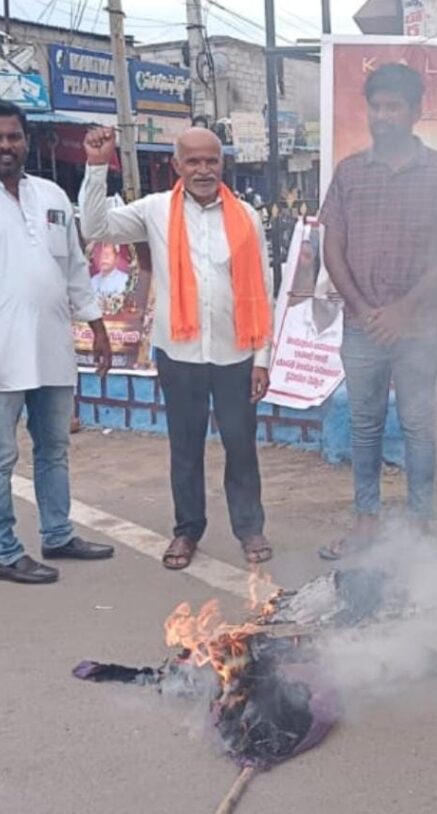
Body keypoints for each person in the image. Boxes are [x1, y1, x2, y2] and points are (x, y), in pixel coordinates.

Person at [80, 126, 274, 570]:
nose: (203, 170)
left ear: (222, 164)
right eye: (194, 161)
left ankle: (250, 528)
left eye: (211, 161)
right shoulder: (154, 211)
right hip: (180, 354)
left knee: (240, 446)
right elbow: (95, 226)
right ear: (177, 166)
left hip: (235, 353)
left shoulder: (247, 215)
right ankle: (187, 531)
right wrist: (95, 167)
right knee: (185, 449)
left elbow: (263, 288)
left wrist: (262, 358)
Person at [0, 99, 115, 584]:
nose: (6, 145)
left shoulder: (51, 196)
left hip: (51, 349)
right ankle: (5, 552)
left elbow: (74, 269)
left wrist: (97, 326)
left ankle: (59, 534)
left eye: (14, 136)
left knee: (54, 447)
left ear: (27, 141)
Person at [316, 63, 437, 560]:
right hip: (362, 327)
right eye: (376, 106)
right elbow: (332, 248)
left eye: (393, 106)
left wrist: (403, 310)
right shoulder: (350, 172)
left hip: (419, 325)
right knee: (365, 423)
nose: (383, 115)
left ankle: (419, 523)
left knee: (419, 424)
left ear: (415, 112)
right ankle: (366, 520)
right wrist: (363, 309)